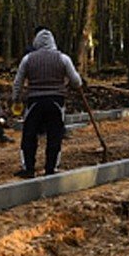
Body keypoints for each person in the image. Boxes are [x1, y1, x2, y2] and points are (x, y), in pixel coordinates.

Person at [11, 27, 82, 177]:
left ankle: (28, 168)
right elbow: (76, 81)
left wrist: (15, 98)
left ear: (36, 41)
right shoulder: (63, 58)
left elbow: (18, 82)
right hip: (56, 102)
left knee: (29, 135)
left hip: (34, 101)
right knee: (54, 135)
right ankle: (51, 168)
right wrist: (71, 83)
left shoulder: (28, 59)